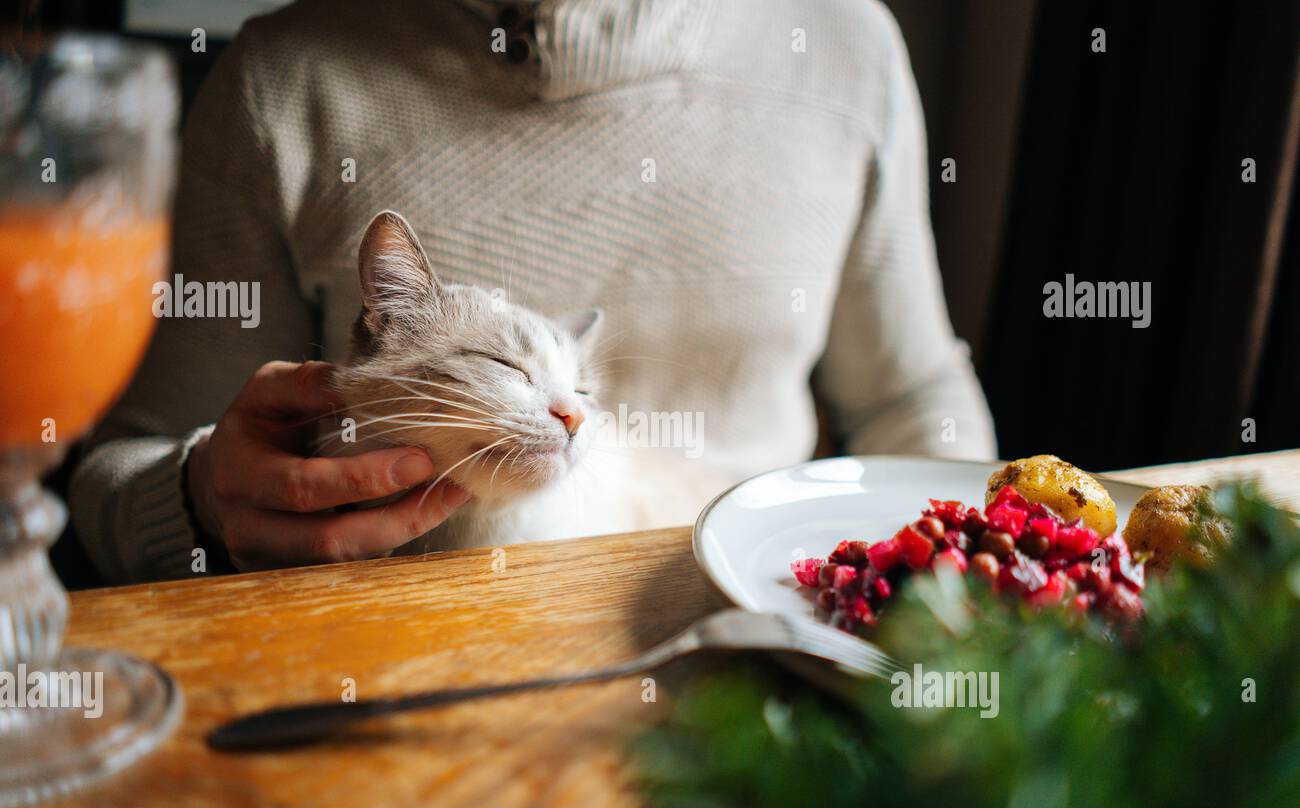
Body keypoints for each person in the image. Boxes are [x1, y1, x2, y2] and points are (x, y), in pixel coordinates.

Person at [71, 0, 996, 583]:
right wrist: (198, 498)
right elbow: (110, 473)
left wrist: (967, 570)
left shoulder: (847, 43)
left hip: (776, 607)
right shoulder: (284, 82)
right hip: (385, 644)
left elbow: (913, 399)